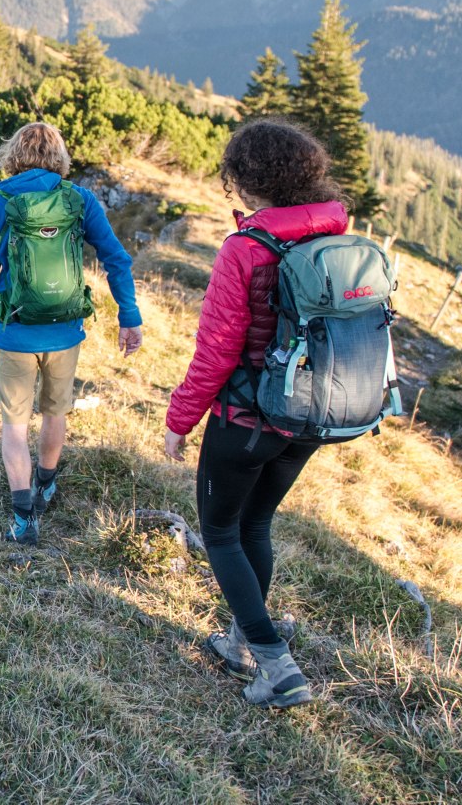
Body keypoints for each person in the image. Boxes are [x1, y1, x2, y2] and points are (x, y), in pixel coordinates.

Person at [162, 118, 347, 709]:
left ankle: (276, 664)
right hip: (313, 415)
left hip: (247, 418)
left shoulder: (246, 250)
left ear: (245, 182)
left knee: (218, 529)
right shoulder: (333, 237)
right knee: (255, 525)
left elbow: (215, 351)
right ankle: (243, 641)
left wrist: (179, 420)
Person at [0, 121, 143, 548]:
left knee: (14, 423)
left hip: (15, 333)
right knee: (55, 411)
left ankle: (24, 520)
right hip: (65, 330)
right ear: (59, 158)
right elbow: (116, 259)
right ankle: (46, 486)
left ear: (13, 155)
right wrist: (129, 315)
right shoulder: (79, 200)